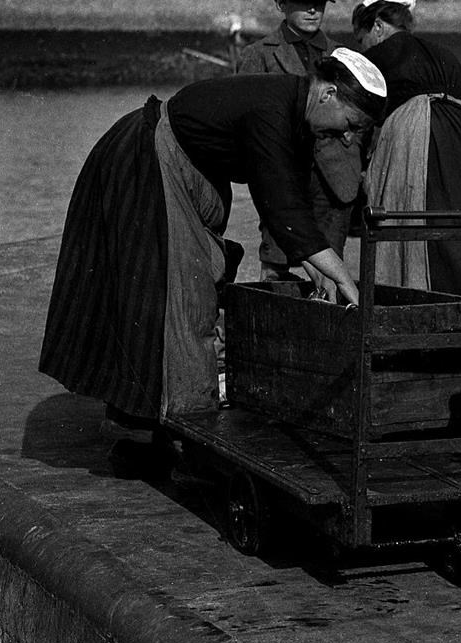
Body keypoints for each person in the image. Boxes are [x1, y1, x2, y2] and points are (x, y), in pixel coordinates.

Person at [40, 50, 385, 469]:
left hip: (174, 168)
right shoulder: (273, 110)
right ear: (329, 93)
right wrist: (344, 280)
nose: (348, 139)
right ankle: (154, 433)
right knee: (172, 303)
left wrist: (318, 271)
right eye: (350, 125)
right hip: (147, 160)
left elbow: (285, 206)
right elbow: (283, 210)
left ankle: (151, 425)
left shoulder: (294, 115)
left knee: (180, 299)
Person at [352, 0, 461, 299]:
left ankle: (413, 299)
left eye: (360, 38)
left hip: (418, 138)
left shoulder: (377, 58)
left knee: (413, 222)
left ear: (376, 26)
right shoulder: (443, 54)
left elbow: (359, 117)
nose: (361, 47)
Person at [236, 0, 366, 286]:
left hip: (334, 177)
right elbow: (244, 118)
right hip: (282, 175)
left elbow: (364, 114)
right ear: (281, 5)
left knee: (332, 268)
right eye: (303, 2)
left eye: (319, 4)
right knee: (276, 261)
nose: (312, 10)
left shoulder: (344, 56)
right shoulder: (257, 55)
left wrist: (355, 154)